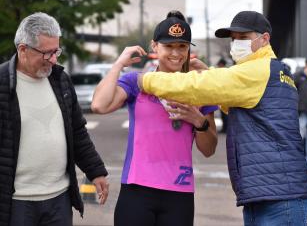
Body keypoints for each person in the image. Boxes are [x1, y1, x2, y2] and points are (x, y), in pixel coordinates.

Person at [137, 11, 307, 226]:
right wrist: (210, 72)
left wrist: (144, 80)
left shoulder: (256, 71)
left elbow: (196, 87)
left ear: (264, 39)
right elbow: (239, 104)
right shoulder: (275, 70)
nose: (236, 43)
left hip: (278, 194)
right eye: (233, 39)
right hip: (273, 189)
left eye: (243, 38)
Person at [91, 11, 218, 226]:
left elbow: (209, 149)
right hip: (137, 189)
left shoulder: (199, 87)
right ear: (154, 46)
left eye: (182, 47)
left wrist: (199, 121)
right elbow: (99, 105)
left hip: (179, 192)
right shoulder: (137, 82)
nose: (176, 53)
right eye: (169, 46)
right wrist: (118, 65)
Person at [0, 12, 109, 226]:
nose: (54, 59)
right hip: (17, 203)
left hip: (59, 199)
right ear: (23, 49)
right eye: (47, 53)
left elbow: (77, 131)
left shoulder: (61, 80)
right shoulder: (2, 84)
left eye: (56, 51)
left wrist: (95, 171)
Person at [216, 57, 228, 133]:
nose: (218, 65)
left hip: (225, 96)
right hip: (222, 96)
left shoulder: (224, 72)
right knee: (223, 115)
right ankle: (224, 128)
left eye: (219, 64)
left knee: (225, 115)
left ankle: (226, 128)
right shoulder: (226, 71)